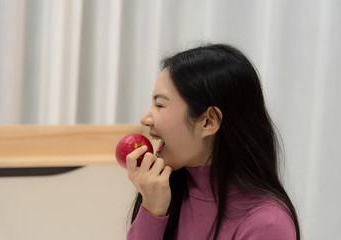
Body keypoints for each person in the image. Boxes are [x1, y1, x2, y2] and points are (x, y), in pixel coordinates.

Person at [125, 44, 300, 240]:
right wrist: (152, 211)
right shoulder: (166, 195)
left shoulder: (267, 223)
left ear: (208, 121)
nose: (145, 118)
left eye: (159, 104)